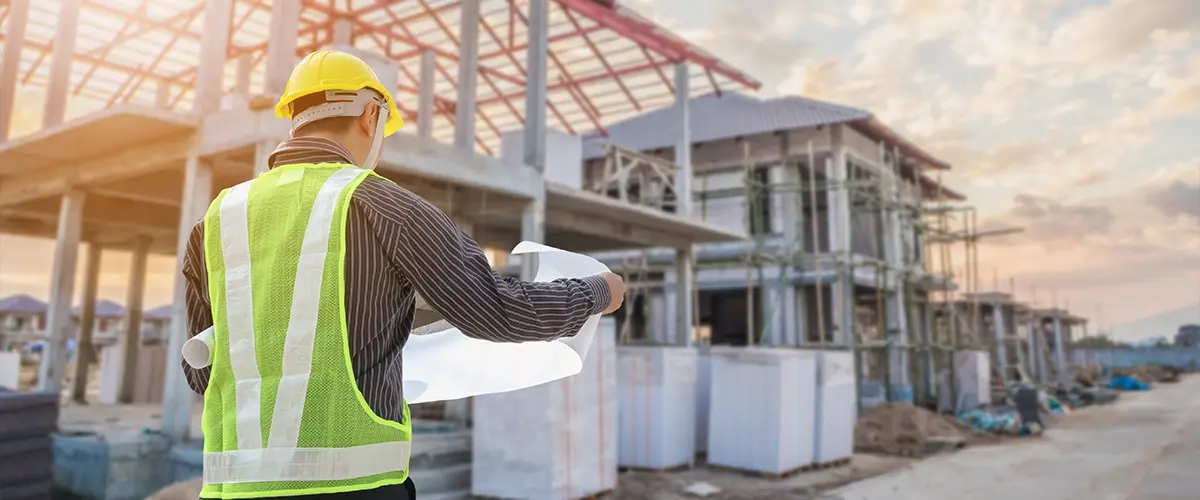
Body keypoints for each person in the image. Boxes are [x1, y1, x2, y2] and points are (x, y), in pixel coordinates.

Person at [179, 49, 627, 500]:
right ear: (371, 116)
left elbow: (201, 373)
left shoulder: (216, 223)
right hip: (353, 489)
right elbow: (499, 311)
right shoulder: (390, 210)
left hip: (231, 491)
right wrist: (594, 292)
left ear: (293, 118)